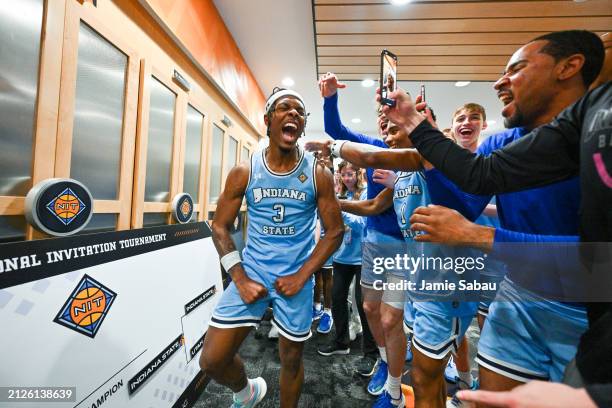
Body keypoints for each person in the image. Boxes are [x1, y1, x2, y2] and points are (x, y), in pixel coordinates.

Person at [324, 30, 604, 403]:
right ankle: (393, 380)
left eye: (516, 68)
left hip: (564, 303)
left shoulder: (597, 136)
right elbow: (466, 188)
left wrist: (473, 232)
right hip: (445, 273)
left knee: (439, 357)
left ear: (569, 68)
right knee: (397, 334)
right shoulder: (498, 147)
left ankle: (448, 374)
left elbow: (598, 263)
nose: (499, 81)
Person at [199, 87, 343, 408]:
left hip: (296, 278)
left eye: (299, 112)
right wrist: (239, 278)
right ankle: (247, 391)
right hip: (251, 273)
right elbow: (220, 226)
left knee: (291, 359)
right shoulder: (245, 171)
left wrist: (303, 276)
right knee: (212, 360)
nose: (293, 114)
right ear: (268, 120)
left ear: (302, 127)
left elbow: (334, 232)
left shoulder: (317, 173)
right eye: (284, 109)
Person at [319, 72, 405, 388]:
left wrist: (335, 202)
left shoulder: (415, 155)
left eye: (391, 116)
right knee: (369, 307)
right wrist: (330, 98)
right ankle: (384, 360)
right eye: (381, 118)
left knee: (391, 317)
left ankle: (393, 376)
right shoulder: (374, 148)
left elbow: (375, 206)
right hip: (373, 242)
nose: (384, 123)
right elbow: (336, 130)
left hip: (405, 246)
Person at [318, 160, 370, 355]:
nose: (347, 178)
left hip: (362, 258)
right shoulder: (339, 194)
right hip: (342, 257)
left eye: (350, 174)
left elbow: (362, 224)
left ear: (358, 174)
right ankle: (341, 343)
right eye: (344, 175)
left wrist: (342, 209)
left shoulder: (365, 194)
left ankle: (370, 353)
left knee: (364, 304)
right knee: (337, 298)